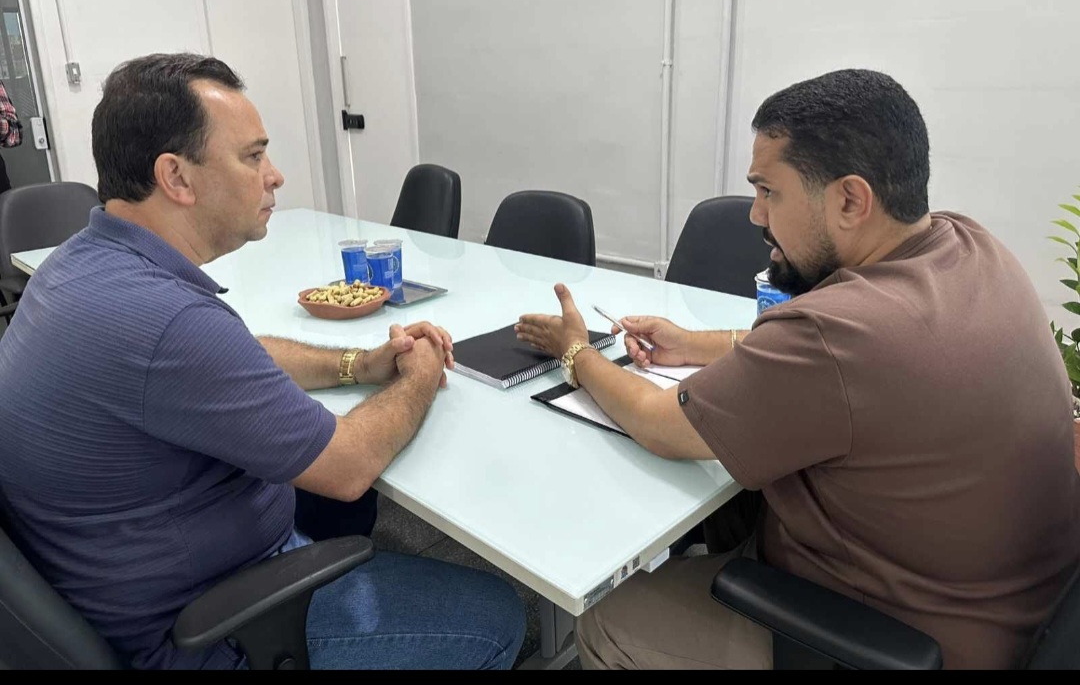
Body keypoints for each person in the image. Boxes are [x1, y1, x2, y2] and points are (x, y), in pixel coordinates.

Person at [516, 68, 1080, 669]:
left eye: (769, 191)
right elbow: (828, 364)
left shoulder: (839, 331)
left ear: (850, 200)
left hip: (890, 636)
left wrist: (576, 353)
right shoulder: (968, 245)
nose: (756, 215)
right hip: (1011, 607)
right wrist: (692, 344)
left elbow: (659, 422)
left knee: (609, 619)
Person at [0, 53, 525, 670]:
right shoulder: (168, 323)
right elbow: (348, 465)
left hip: (120, 575)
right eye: (252, 157)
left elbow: (237, 355)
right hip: (212, 628)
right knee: (495, 616)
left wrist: (360, 363)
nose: (274, 176)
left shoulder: (79, 265)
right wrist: (420, 376)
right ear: (177, 177)